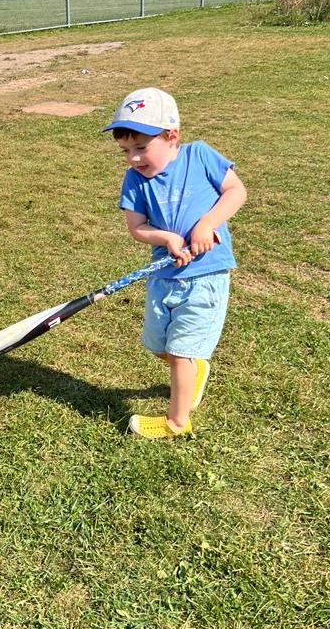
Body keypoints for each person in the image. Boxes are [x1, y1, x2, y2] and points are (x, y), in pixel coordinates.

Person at [103, 88, 247, 440]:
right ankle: (194, 371)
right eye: (126, 151)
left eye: (141, 148)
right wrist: (166, 238)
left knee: (181, 352)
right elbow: (137, 228)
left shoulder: (200, 157)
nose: (133, 158)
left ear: (171, 136)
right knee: (159, 347)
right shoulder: (135, 180)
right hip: (164, 277)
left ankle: (177, 422)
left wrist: (206, 223)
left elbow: (236, 192)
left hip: (204, 277)